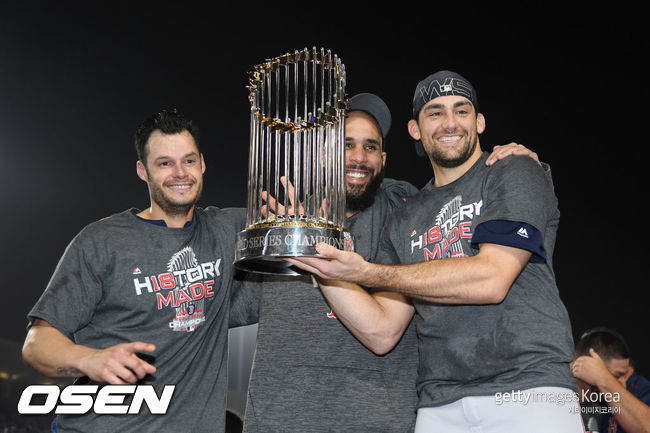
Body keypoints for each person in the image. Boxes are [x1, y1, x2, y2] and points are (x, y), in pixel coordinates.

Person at [288, 71, 584, 432]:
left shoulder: (513, 170)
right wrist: (322, 265)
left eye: (461, 111)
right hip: (440, 405)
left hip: (526, 391)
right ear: (415, 129)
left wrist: (364, 272)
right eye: (435, 112)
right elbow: (381, 331)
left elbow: (492, 278)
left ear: (479, 121)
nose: (449, 123)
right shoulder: (404, 217)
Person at [21, 109, 252, 433]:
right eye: (164, 163)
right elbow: (37, 344)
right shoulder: (102, 241)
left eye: (188, 161)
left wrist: (299, 220)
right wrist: (88, 359)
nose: (180, 173)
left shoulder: (228, 230)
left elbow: (297, 240)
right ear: (142, 171)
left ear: (202, 163)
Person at [572, 327, 650, 433]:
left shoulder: (637, 387)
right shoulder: (558, 390)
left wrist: (604, 379)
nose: (623, 384)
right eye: (617, 376)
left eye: (625, 375)